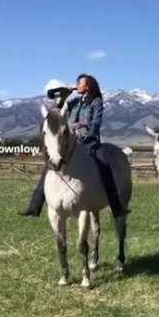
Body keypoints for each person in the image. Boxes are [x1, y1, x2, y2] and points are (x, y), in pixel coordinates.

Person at [22, 74, 127, 218]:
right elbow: (57, 112)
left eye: (80, 83)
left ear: (88, 86)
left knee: (104, 166)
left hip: (90, 142)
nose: (77, 85)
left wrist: (84, 128)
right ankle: (35, 206)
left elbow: (96, 123)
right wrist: (64, 95)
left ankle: (116, 206)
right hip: (71, 143)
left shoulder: (96, 102)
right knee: (50, 166)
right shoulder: (75, 101)